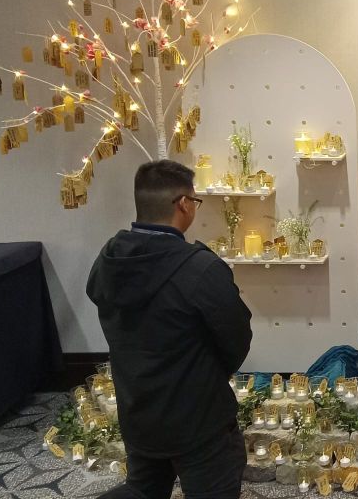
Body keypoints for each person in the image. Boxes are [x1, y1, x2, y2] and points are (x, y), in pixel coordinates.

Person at [87, 160, 252, 499]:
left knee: (143, 490)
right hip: (199, 421)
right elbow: (237, 339)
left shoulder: (109, 260)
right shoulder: (200, 269)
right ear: (184, 204)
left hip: (138, 411)